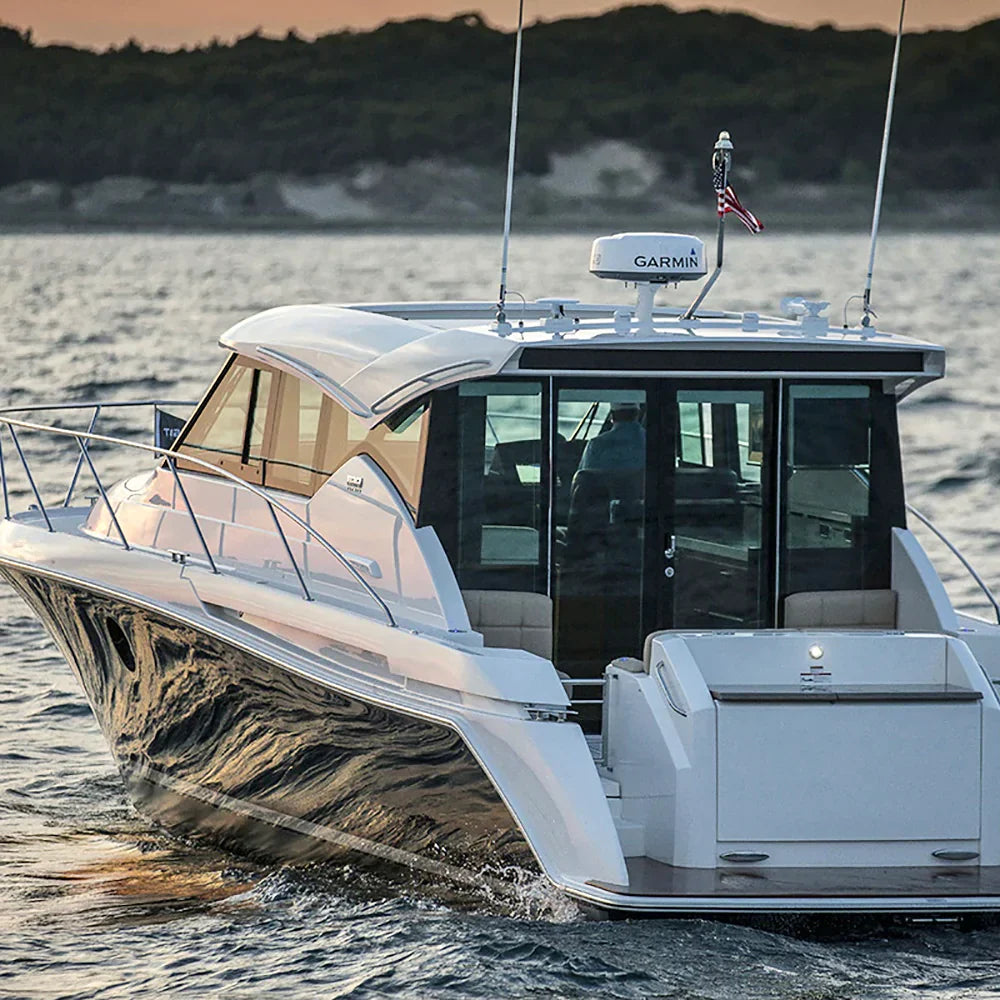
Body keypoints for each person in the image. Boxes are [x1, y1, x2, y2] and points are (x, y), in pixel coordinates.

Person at [578, 401, 646, 471]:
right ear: (638, 413)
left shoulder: (596, 445)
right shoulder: (649, 443)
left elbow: (584, 475)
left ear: (611, 416)